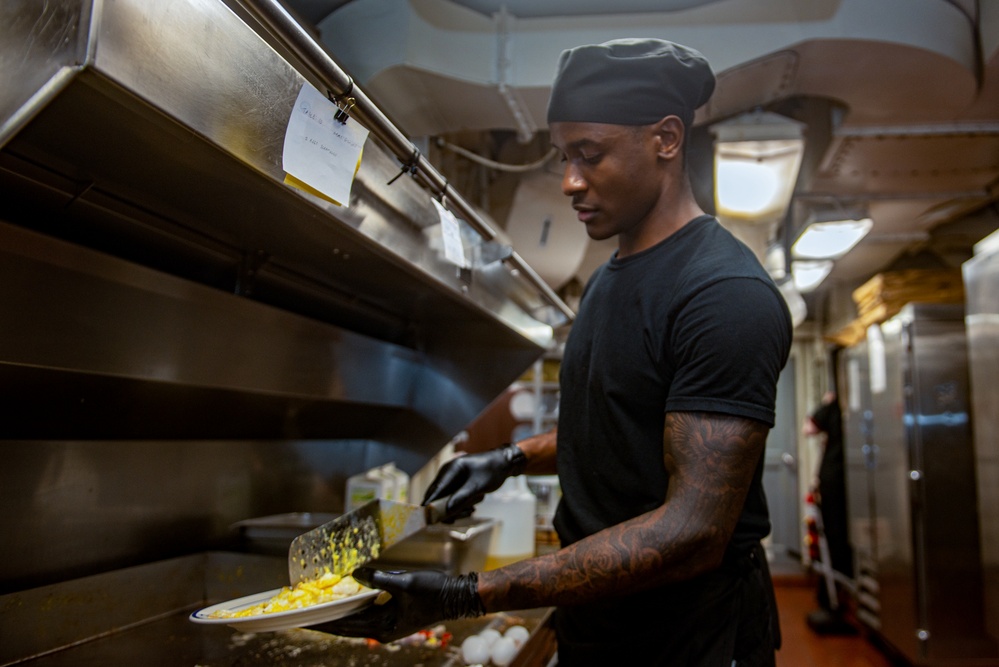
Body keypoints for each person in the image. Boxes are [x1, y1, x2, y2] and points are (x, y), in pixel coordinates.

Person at [309, 38, 793, 666]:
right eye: (564, 156)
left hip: (689, 639)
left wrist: (467, 594)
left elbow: (693, 531)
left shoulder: (724, 295)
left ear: (667, 138)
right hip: (599, 623)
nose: (568, 181)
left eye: (589, 155)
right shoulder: (609, 278)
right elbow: (614, 427)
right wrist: (508, 459)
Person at [803, 390, 856, 635]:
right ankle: (832, 599)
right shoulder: (842, 412)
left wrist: (825, 403)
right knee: (833, 540)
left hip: (835, 484)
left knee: (835, 540)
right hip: (835, 483)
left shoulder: (833, 407)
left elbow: (809, 428)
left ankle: (834, 600)